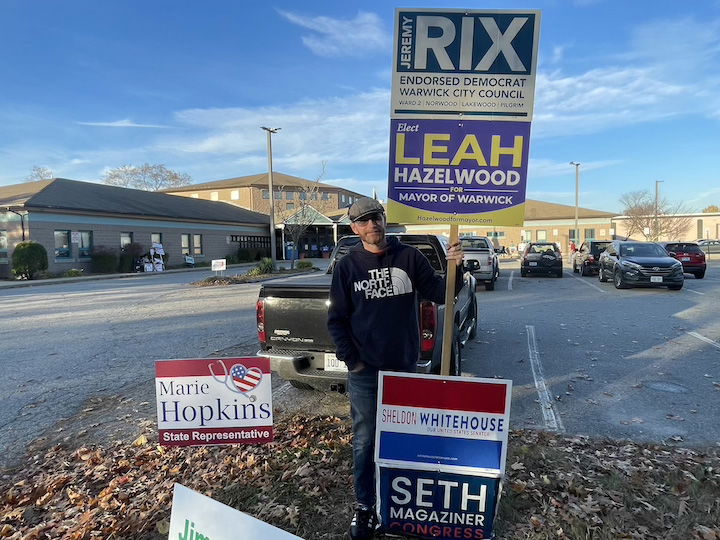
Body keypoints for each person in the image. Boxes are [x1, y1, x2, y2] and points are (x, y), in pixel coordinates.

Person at [327, 197, 464, 540]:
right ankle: (364, 508)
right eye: (363, 222)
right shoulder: (346, 267)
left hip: (403, 368)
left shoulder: (409, 257)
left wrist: (456, 267)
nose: (371, 225)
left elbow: (441, 293)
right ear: (354, 228)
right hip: (366, 373)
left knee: (405, 440)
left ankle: (399, 507)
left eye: (375, 218)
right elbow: (336, 320)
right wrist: (353, 361)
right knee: (365, 442)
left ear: (384, 220)